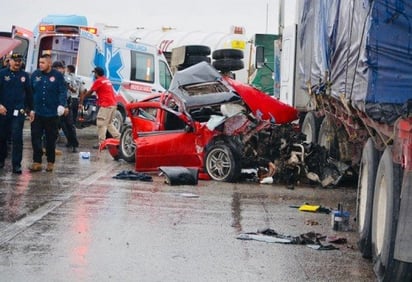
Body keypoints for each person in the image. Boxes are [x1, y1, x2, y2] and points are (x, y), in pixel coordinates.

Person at [29, 54, 67, 172]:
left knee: (50, 139)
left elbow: (62, 91)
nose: (40, 64)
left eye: (43, 63)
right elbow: (30, 92)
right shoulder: (35, 75)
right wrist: (30, 109)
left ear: (49, 63)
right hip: (37, 112)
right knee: (35, 138)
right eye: (39, 62)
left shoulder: (58, 76)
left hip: (51, 113)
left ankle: (50, 161)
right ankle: (37, 161)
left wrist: (62, 104)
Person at [0, 53, 32, 174]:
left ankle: (16, 165)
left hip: (18, 111)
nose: (17, 63)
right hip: (3, 111)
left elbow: (29, 93)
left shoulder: (24, 76)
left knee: (17, 138)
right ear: (9, 61)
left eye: (19, 61)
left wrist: (31, 109)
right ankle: (1, 160)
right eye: (15, 61)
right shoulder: (2, 74)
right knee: (2, 137)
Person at [79, 66, 120, 149]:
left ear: (96, 73)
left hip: (106, 105)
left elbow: (90, 92)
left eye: (94, 73)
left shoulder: (99, 81)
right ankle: (119, 139)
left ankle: (102, 144)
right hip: (113, 104)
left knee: (101, 123)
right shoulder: (106, 80)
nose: (94, 74)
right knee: (108, 124)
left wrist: (83, 96)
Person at [52, 61, 79, 152]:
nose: (60, 70)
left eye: (61, 68)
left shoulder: (66, 78)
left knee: (69, 125)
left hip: (66, 105)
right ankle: (49, 145)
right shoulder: (51, 77)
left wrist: (65, 106)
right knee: (54, 126)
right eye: (58, 68)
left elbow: (67, 93)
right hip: (54, 105)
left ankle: (74, 144)